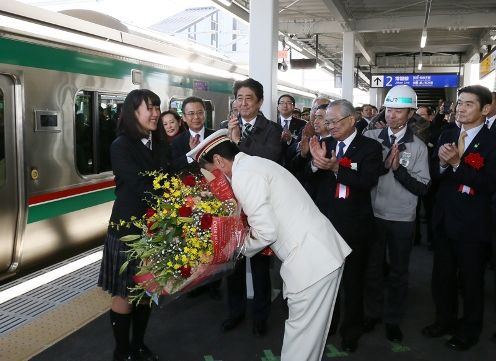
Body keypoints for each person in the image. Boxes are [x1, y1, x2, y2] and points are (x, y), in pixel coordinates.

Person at [187, 129, 351, 361]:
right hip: (319, 255)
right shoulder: (254, 165)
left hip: (311, 262)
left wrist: (231, 248)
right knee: (310, 338)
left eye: (212, 173)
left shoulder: (244, 176)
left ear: (218, 161)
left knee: (300, 340)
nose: (214, 180)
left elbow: (265, 231)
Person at [97, 89, 171, 361]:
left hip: (156, 228)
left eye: (157, 107)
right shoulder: (121, 146)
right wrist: (172, 190)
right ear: (133, 112)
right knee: (125, 293)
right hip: (128, 230)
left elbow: (173, 173)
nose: (155, 113)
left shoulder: (161, 143)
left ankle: (138, 344)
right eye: (149, 108)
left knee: (146, 290)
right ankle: (122, 350)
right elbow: (140, 184)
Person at [304, 99, 383, 352]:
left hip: (355, 227)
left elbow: (368, 180)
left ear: (352, 120)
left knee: (353, 282)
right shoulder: (324, 145)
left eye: (334, 121)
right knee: (327, 282)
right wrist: (314, 165)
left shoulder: (370, 147)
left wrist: (337, 167)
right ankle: (329, 325)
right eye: (327, 122)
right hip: (326, 224)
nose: (330, 126)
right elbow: (308, 179)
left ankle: (352, 332)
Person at [423, 85, 496, 351]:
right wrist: (443, 164)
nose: (461, 109)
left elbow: (489, 183)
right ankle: (444, 320)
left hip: (473, 223)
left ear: (485, 109)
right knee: (442, 276)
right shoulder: (448, 133)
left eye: (469, 104)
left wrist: (456, 164)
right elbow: (433, 171)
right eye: (460, 103)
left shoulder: (491, 141)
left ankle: (469, 329)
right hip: (444, 218)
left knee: (471, 280)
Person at [363, 85, 430, 343]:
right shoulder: (370, 136)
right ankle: (372, 313)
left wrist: (399, 170)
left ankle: (393, 319)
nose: (391, 115)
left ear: (410, 113)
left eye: (398, 111)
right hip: (373, 214)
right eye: (389, 109)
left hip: (402, 218)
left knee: (399, 271)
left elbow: (423, 186)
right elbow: (363, 173)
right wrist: (382, 167)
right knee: (373, 268)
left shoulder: (419, 146)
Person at [223, 77, 282, 337]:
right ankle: (235, 313)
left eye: (249, 98)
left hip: (258, 205)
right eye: (239, 98)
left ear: (259, 102)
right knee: (233, 264)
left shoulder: (272, 129)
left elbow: (267, 159)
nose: (243, 103)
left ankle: (261, 317)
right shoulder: (225, 127)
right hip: (233, 206)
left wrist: (237, 142)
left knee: (259, 265)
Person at [170, 96, 214, 172]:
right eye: (191, 113)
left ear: (205, 114)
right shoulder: (177, 142)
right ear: (184, 117)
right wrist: (191, 155)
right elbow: (174, 167)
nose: (196, 117)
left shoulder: (215, 136)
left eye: (200, 113)